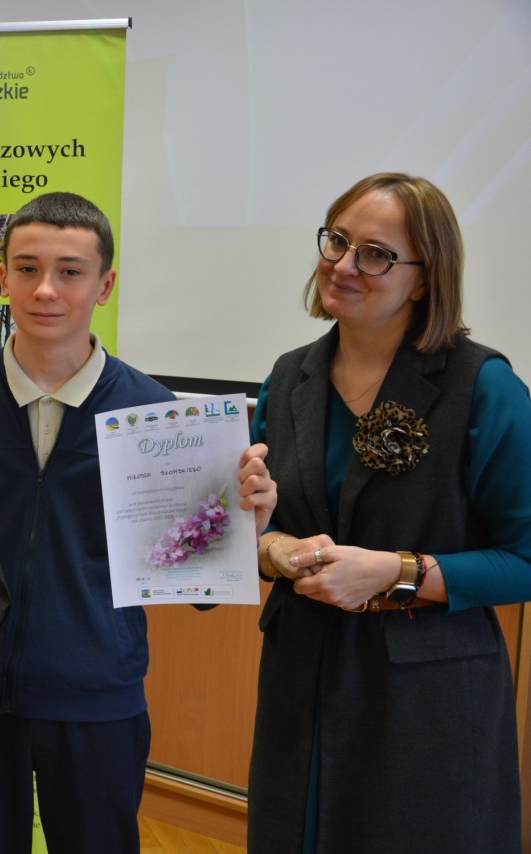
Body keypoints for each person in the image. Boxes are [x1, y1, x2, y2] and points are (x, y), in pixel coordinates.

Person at [0, 192, 276, 853]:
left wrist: (242, 530)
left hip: (99, 699)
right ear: (2, 278)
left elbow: (200, 590)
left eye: (70, 271)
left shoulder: (156, 415)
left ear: (105, 285)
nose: (46, 290)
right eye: (27, 269)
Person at [249, 173, 531, 853]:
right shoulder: (288, 377)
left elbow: (524, 559)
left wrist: (395, 572)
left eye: (375, 254)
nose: (344, 265)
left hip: (426, 699)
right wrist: (273, 548)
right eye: (337, 242)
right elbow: (260, 532)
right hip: (300, 679)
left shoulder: (484, 386)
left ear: (425, 278)